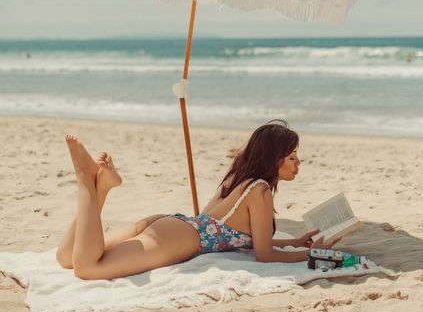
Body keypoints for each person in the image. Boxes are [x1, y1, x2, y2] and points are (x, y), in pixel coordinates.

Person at [57, 119, 340, 280]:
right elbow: (264, 255)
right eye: (291, 157)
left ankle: (103, 187)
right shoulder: (261, 190)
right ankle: (86, 180)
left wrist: (293, 241)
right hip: (179, 238)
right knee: (87, 268)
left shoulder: (238, 178)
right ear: (274, 158)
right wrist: (313, 253)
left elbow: (250, 240)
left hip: (173, 226)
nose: (297, 162)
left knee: (67, 258)